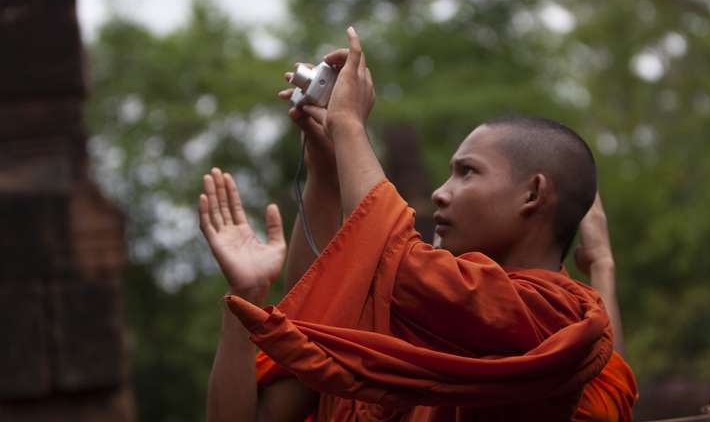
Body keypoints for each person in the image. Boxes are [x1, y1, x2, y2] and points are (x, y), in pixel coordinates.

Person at [200, 27, 637, 421]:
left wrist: (349, 126)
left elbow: (394, 258)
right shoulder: (399, 321)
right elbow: (306, 341)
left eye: (467, 172)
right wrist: (250, 293)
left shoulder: (559, 314)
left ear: (533, 194)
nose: (441, 192)